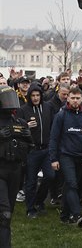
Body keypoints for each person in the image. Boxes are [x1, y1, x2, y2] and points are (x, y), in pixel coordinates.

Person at [49, 87, 82, 227]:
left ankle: (64, 216)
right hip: (66, 156)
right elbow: (53, 138)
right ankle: (77, 215)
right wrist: (53, 158)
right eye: (73, 98)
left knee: (70, 187)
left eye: (78, 98)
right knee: (71, 184)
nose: (75, 101)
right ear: (67, 98)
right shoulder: (61, 115)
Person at [16, 83, 55, 218]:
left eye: (37, 95)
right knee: (31, 181)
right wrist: (26, 126)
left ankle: (39, 200)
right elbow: (17, 130)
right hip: (32, 151)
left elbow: (53, 125)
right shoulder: (23, 110)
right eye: (32, 95)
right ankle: (30, 208)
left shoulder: (48, 107)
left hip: (47, 149)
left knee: (50, 176)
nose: (35, 98)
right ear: (29, 96)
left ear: (41, 96)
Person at [0, 86, 32, 247]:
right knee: (4, 212)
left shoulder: (19, 122)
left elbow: (29, 147)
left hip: (15, 170)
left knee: (8, 214)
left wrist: (27, 137)